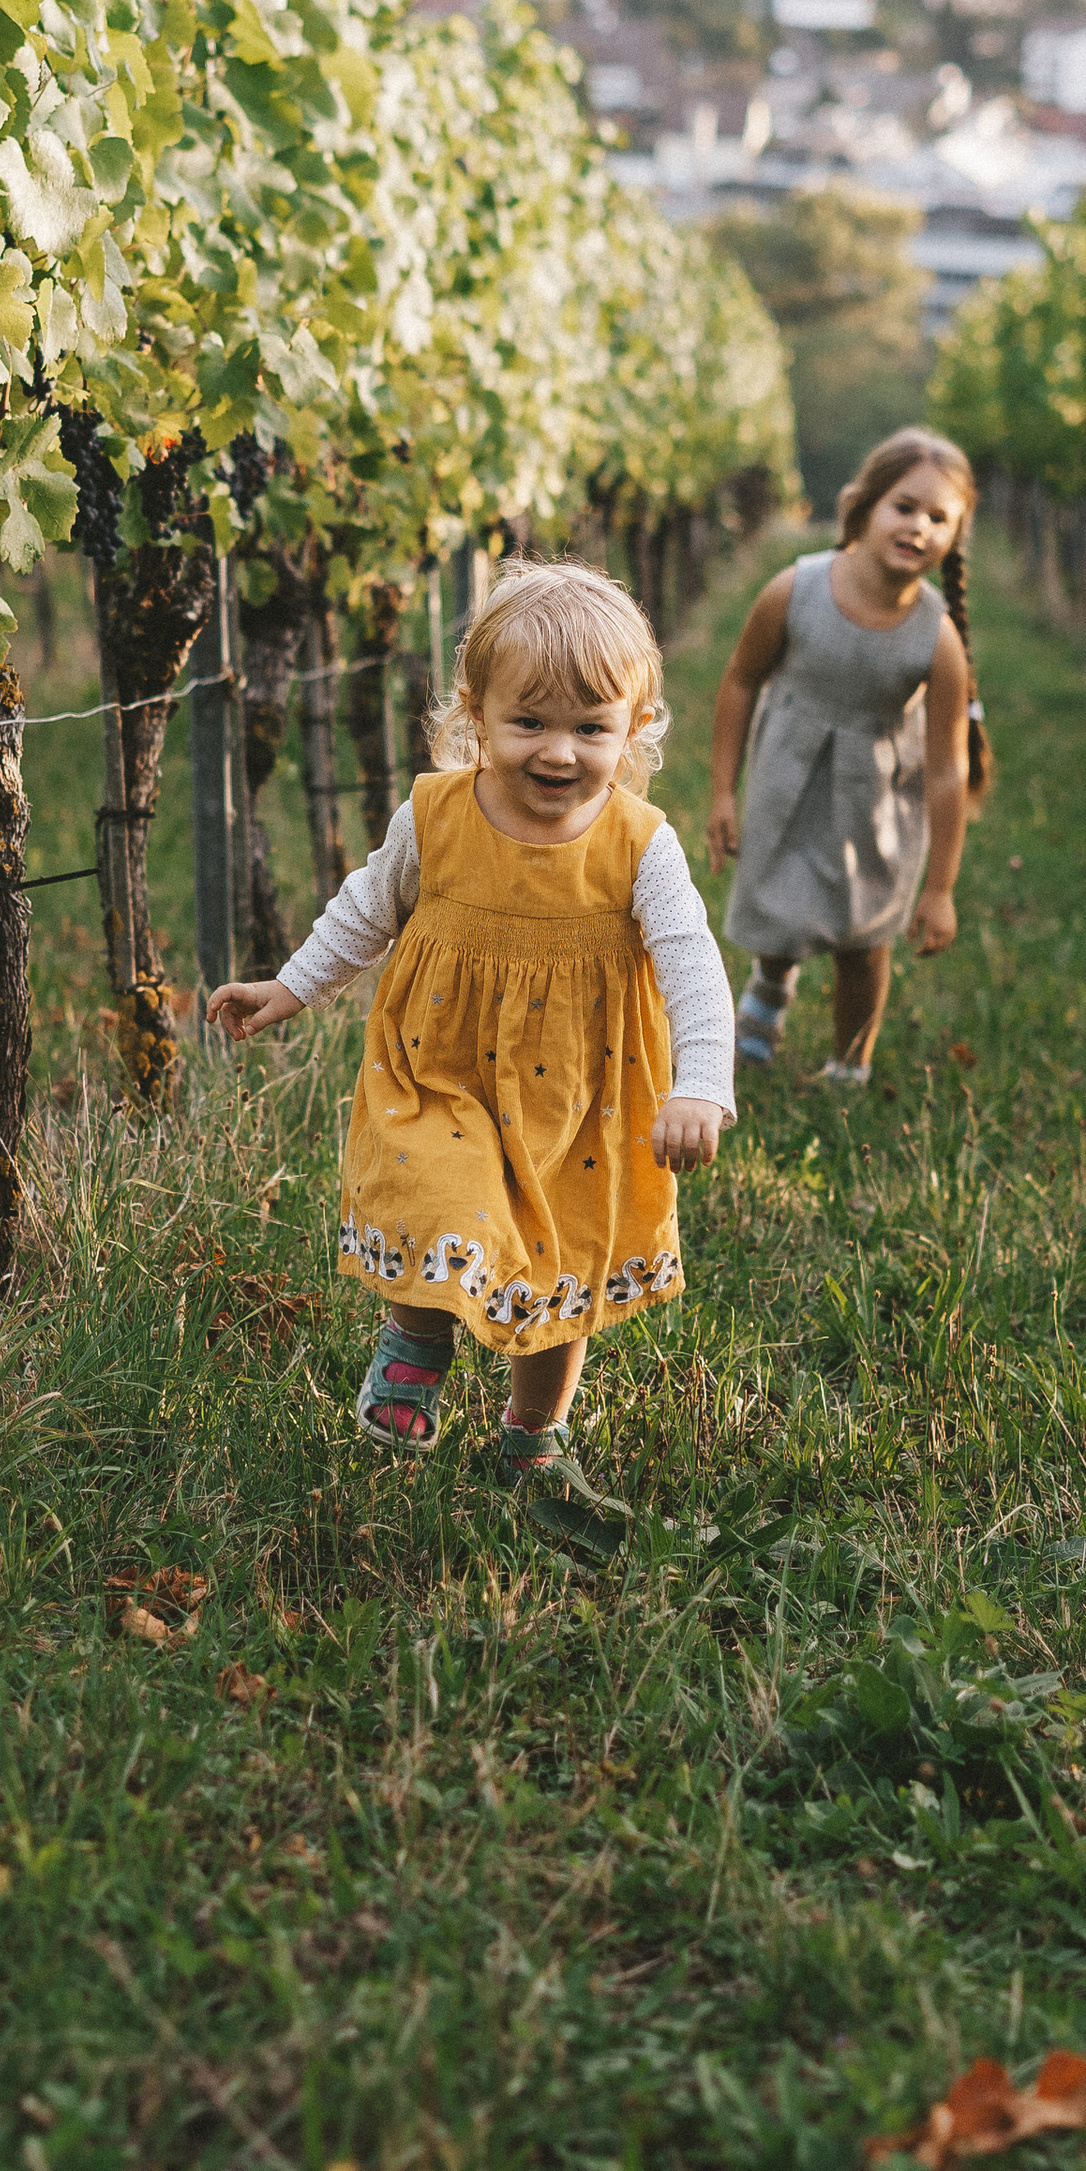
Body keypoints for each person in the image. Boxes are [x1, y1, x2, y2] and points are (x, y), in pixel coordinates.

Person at [207, 560, 736, 1504]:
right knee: (439, 1194)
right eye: (529, 723)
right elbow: (364, 911)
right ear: (475, 716)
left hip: (582, 1095)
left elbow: (694, 967)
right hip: (442, 1071)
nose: (559, 753)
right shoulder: (436, 815)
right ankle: (417, 1337)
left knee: (564, 1262)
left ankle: (533, 1432)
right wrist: (290, 988)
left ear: (635, 730)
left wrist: (698, 1085)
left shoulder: (641, 845)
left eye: (590, 728)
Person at [706, 424, 989, 1087]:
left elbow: (949, 769)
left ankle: (847, 1068)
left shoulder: (937, 638)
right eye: (904, 506)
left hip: (877, 803)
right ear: (862, 505)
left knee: (864, 941)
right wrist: (723, 789)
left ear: (954, 537)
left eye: (938, 517)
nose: (918, 525)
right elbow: (740, 681)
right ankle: (770, 988)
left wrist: (941, 888)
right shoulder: (793, 591)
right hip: (789, 777)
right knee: (782, 907)